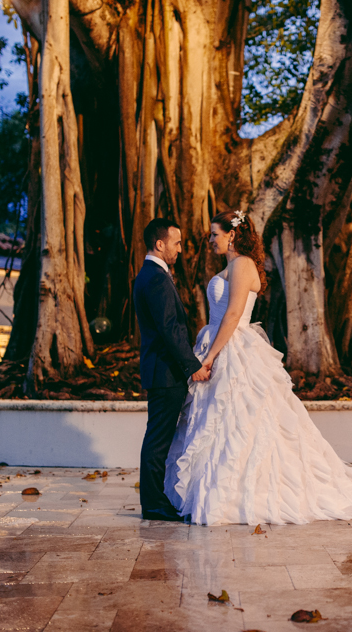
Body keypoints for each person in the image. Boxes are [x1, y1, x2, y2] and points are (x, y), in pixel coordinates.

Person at [164, 209, 352, 525]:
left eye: (215, 234)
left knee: (238, 422)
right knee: (216, 422)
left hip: (231, 349)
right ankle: (211, 489)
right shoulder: (232, 266)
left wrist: (210, 356)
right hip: (220, 342)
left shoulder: (241, 264)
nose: (210, 239)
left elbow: (232, 314)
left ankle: (235, 493)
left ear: (232, 235)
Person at [133, 219, 210, 522]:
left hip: (162, 371)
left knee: (158, 437)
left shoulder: (153, 275)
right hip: (165, 373)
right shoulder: (155, 278)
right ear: (160, 244)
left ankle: (156, 500)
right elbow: (169, 329)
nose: (180, 249)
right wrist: (192, 367)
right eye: (176, 243)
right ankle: (153, 505)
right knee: (158, 440)